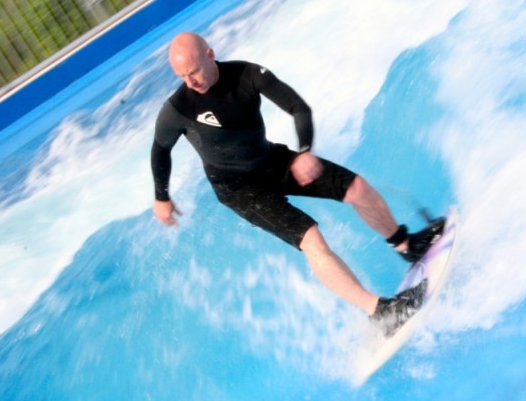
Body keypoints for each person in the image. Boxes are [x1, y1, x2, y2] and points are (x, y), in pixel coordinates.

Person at [150, 32, 442, 334]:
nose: (190, 82)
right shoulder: (178, 108)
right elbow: (160, 148)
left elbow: (298, 107)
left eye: (194, 71)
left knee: (357, 188)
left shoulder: (247, 75)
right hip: (238, 189)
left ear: (210, 55)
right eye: (182, 76)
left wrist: (304, 152)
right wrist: (162, 196)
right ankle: (380, 311)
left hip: (269, 161)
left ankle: (406, 245)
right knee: (311, 238)